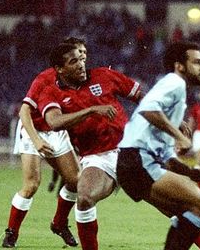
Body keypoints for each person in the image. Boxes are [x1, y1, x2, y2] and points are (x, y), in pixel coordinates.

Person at [36, 41, 142, 250]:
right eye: (73, 61)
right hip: (98, 158)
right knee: (84, 198)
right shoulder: (51, 93)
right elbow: (55, 122)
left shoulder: (104, 75)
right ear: (59, 69)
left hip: (132, 151)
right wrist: (92, 110)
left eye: (82, 58)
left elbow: (140, 96)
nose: (81, 64)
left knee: (176, 203)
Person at [116, 42, 200, 250]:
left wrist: (192, 173)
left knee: (185, 212)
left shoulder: (176, 95)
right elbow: (148, 109)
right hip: (138, 160)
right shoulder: (175, 82)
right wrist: (181, 135)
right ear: (180, 66)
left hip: (132, 164)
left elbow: (167, 156)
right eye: (197, 62)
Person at [1, 38, 87, 248]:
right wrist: (37, 141)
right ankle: (11, 233)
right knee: (31, 185)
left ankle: (59, 223)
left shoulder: (83, 79)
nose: (83, 57)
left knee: (76, 182)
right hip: (34, 130)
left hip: (57, 132)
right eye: (78, 54)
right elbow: (24, 111)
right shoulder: (45, 79)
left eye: (85, 53)